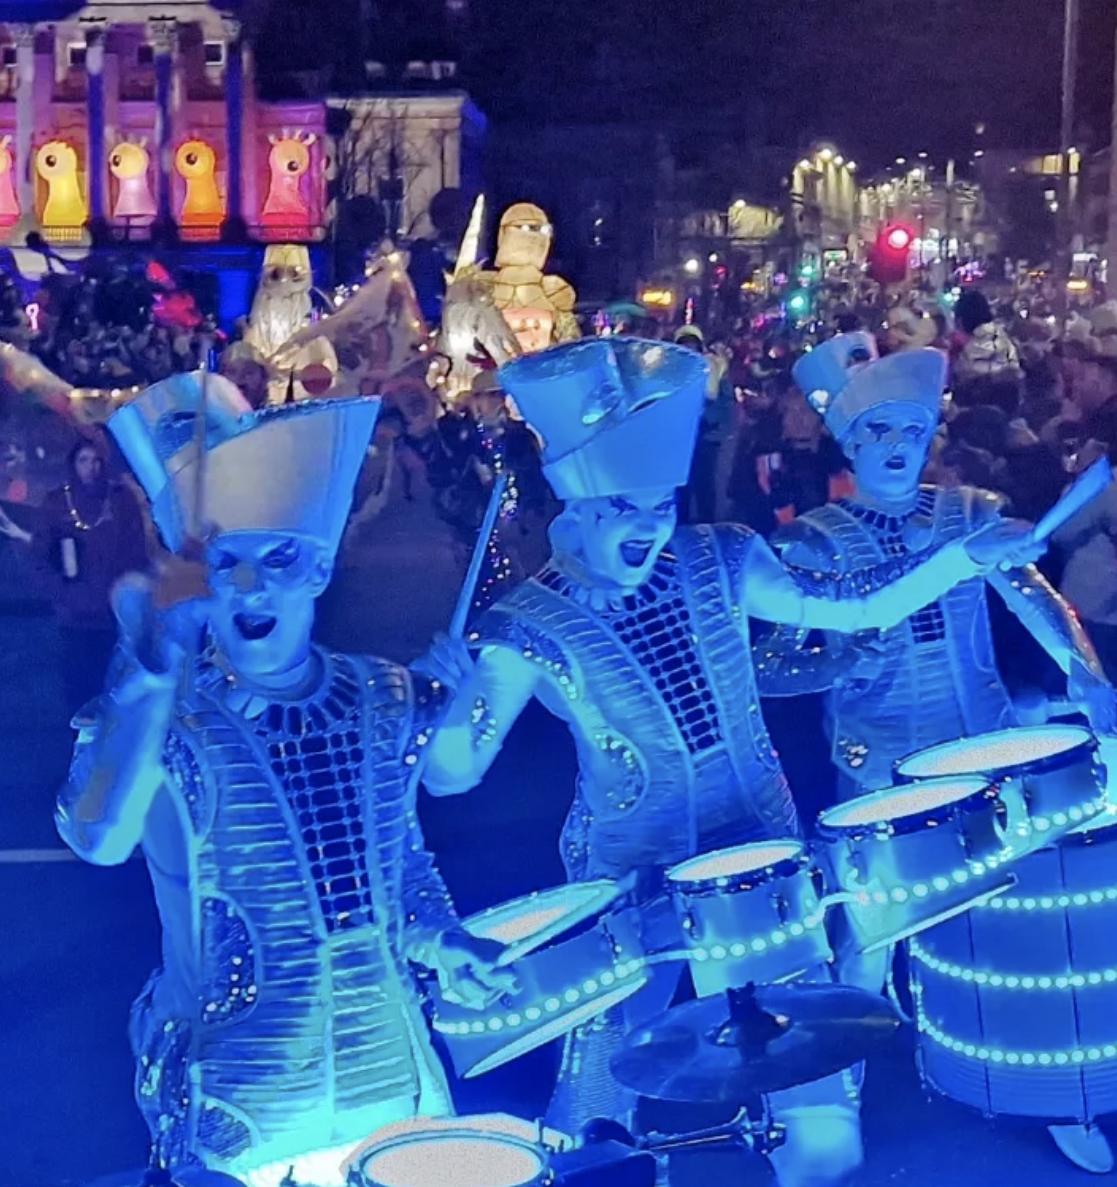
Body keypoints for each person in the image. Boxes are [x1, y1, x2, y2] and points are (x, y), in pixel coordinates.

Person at [420, 338, 1044, 1187]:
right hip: (627, 880)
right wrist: (439, 709)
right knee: (593, 1122)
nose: (645, 526)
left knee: (821, 1126)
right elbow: (452, 774)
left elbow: (853, 607)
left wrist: (959, 556)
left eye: (657, 505)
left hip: (756, 859)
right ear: (575, 508)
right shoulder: (529, 623)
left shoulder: (721, 556)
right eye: (621, 508)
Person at [57, 374, 515, 1187]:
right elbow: (96, 835)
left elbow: (395, 873)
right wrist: (153, 660)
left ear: (319, 568)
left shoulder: (386, 696)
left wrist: (445, 941)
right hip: (244, 1101)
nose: (251, 585)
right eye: (226, 562)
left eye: (280, 559)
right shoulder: (169, 717)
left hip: (392, 1081)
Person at [761, 333, 1116, 798]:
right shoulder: (813, 539)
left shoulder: (969, 514)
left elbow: (1031, 596)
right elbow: (768, 665)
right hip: (879, 761)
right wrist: (834, 663)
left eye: (912, 431)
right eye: (878, 429)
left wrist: (1085, 671)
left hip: (983, 739)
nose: (897, 445)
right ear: (850, 444)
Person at [33, 435, 154, 711]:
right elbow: (40, 558)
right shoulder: (57, 504)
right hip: (74, 620)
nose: (91, 467)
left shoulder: (122, 503)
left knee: (116, 693)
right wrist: (64, 594)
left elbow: (136, 556)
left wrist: (125, 598)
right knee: (79, 693)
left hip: (115, 619)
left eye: (96, 460)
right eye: (84, 460)